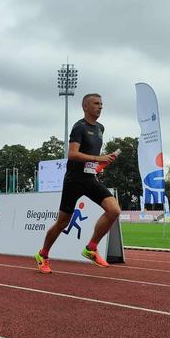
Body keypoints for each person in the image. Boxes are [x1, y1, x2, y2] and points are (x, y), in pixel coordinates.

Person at [34, 93, 121, 273]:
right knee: (62, 223)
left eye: (101, 104)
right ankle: (42, 255)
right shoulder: (79, 127)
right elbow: (72, 154)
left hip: (90, 179)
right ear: (85, 107)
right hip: (74, 180)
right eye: (96, 104)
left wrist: (101, 164)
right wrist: (98, 157)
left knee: (114, 210)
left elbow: (90, 157)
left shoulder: (100, 128)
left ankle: (91, 248)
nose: (100, 107)